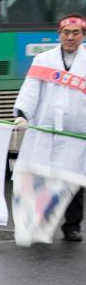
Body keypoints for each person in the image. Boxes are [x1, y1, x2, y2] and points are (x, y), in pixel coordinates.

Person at [13, 12, 86, 242]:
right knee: (40, 177)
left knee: (72, 179)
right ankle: (37, 220)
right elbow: (31, 88)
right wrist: (23, 114)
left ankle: (72, 226)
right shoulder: (43, 60)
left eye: (76, 33)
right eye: (66, 32)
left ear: (83, 35)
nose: (70, 37)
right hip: (45, 129)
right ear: (59, 34)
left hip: (77, 132)